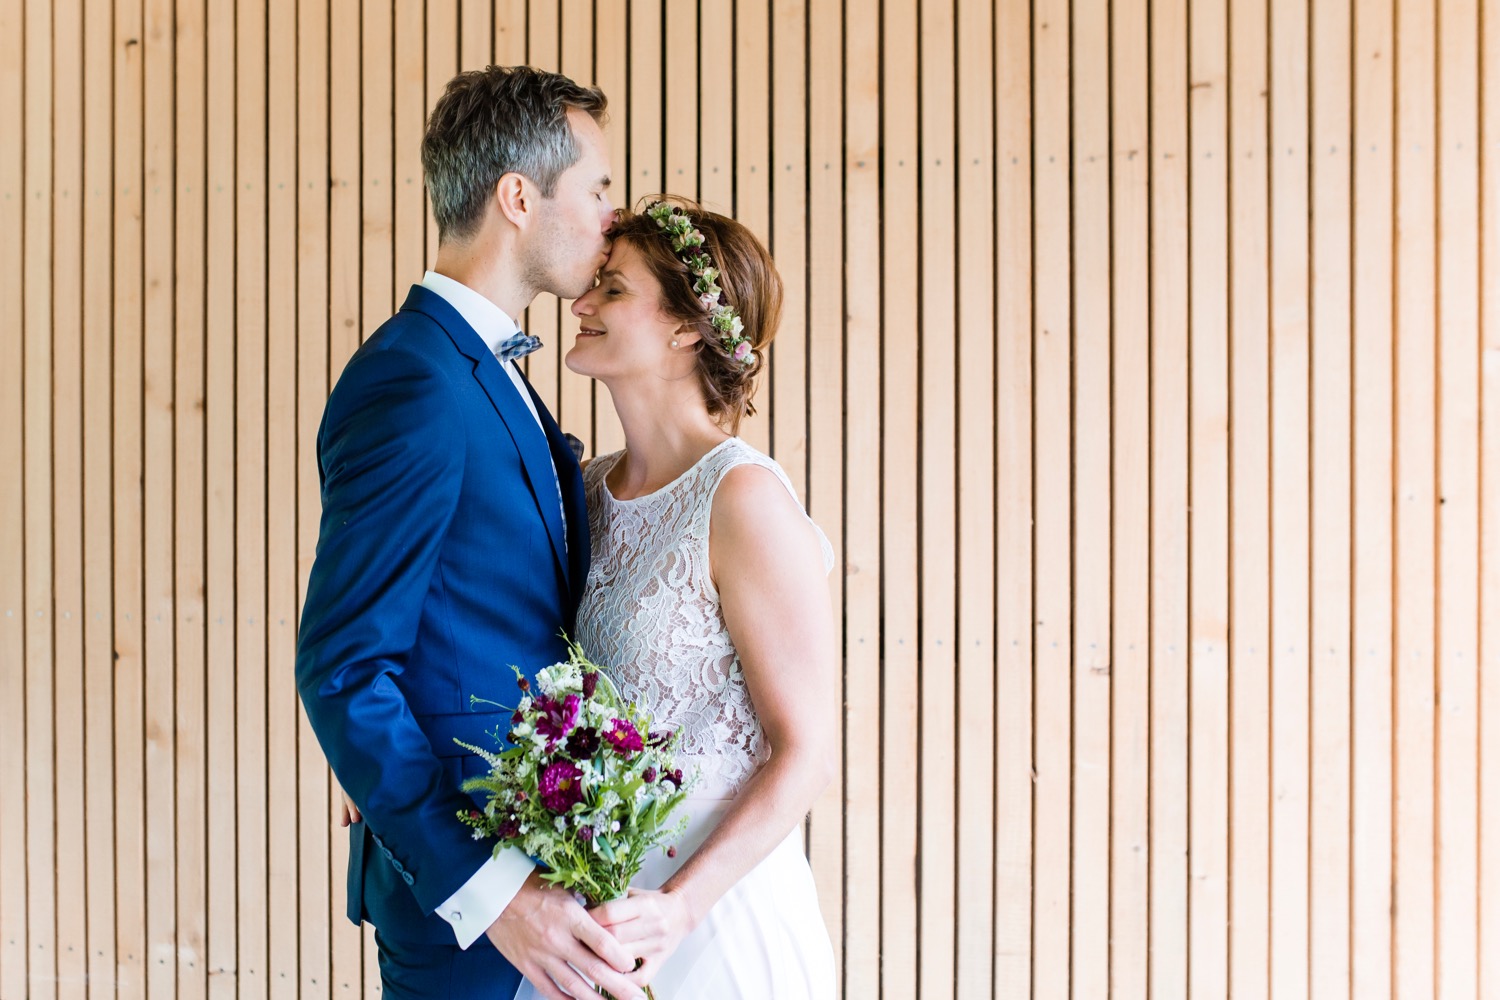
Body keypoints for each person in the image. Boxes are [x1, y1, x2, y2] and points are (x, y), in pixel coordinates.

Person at [295, 65, 649, 1000]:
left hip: (546, 877)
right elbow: (343, 666)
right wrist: (497, 894)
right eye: (600, 187)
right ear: (519, 197)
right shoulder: (413, 381)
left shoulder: (489, 374)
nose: (614, 213)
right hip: (473, 916)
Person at [516, 198, 840, 997]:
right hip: (591, 919)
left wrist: (678, 908)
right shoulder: (581, 493)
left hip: (711, 919)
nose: (579, 304)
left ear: (686, 328)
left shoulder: (743, 498)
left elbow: (805, 750)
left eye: (612, 290)